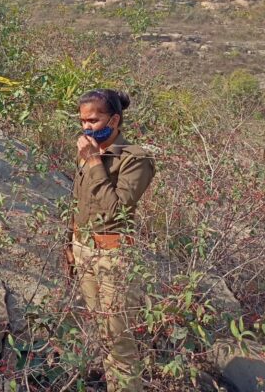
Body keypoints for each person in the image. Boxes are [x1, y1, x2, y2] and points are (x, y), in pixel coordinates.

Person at [64, 89, 155, 391]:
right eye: (83, 121)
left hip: (113, 256)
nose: (86, 127)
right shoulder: (89, 152)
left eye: (93, 120)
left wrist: (93, 162)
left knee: (120, 341)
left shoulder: (134, 158)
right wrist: (70, 244)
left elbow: (115, 210)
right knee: (103, 335)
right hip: (84, 250)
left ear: (114, 120)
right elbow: (78, 201)